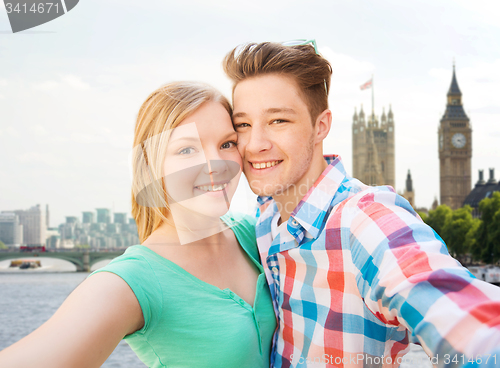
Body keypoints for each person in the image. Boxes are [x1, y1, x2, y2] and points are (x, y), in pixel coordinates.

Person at [223, 41, 500, 367]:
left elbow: (471, 326)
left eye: (278, 121)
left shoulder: (364, 220)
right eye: (243, 124)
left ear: (321, 126)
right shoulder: (265, 220)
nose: (255, 144)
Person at [0, 81, 277, 368]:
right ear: (151, 165)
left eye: (227, 144)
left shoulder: (256, 233)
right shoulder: (133, 281)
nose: (215, 164)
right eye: (186, 151)